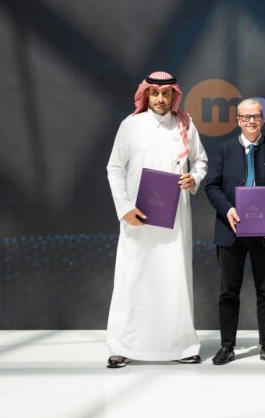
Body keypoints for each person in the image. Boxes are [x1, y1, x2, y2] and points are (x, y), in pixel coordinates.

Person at [105, 71, 207, 368]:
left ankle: (182, 345)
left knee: (174, 277)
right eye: (154, 93)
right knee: (133, 278)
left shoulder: (185, 124)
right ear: (146, 95)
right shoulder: (130, 125)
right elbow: (114, 168)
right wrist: (125, 207)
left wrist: (194, 178)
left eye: (165, 94)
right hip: (138, 217)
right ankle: (122, 346)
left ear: (174, 95)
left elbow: (200, 160)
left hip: (175, 218)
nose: (160, 99)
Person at [204, 98, 265, 365]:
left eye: (256, 116)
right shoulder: (223, 150)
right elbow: (212, 186)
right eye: (246, 117)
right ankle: (227, 346)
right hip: (230, 231)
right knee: (228, 292)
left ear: (263, 119)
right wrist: (228, 210)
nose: (251, 121)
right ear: (238, 121)